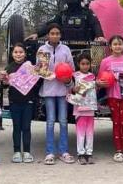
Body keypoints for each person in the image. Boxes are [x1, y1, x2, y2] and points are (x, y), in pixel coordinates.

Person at [38, 23, 76, 165]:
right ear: (48, 35)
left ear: (60, 35)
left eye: (57, 33)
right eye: (52, 33)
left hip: (62, 91)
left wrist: (67, 80)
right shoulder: (42, 49)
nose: (55, 36)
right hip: (48, 91)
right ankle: (49, 153)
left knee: (64, 121)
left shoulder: (65, 49)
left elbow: (71, 69)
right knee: (50, 122)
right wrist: (47, 73)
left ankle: (64, 151)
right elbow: (40, 71)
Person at [97, 34, 123, 163]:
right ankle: (118, 151)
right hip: (112, 96)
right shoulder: (105, 61)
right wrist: (99, 84)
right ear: (110, 47)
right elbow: (100, 78)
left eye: (120, 44)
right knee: (116, 122)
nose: (117, 46)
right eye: (115, 44)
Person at [0, 43, 40, 163]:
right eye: (16, 52)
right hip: (14, 102)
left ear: (25, 53)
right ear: (12, 54)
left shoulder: (30, 67)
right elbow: (3, 85)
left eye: (21, 52)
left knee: (26, 127)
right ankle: (17, 152)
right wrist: (3, 80)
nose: (18, 54)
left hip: (28, 102)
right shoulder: (8, 68)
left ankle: (27, 152)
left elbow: (36, 84)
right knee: (17, 127)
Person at [27, 0, 106, 43]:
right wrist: (37, 34)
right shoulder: (62, 15)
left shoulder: (87, 13)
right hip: (64, 48)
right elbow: (49, 24)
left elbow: (95, 24)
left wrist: (100, 36)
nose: (72, 3)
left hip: (86, 47)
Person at [69, 52, 98, 165]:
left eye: (87, 64)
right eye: (83, 64)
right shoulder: (74, 76)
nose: (85, 66)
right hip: (79, 110)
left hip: (90, 109)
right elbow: (70, 89)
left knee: (90, 133)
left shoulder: (93, 76)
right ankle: (80, 154)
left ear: (90, 64)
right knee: (80, 133)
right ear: (78, 64)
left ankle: (89, 153)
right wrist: (73, 89)